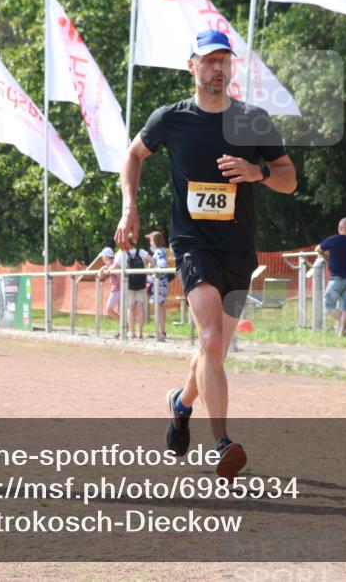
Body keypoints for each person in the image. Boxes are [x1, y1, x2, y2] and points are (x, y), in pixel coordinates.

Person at [116, 29, 297, 481]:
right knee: (212, 339)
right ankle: (222, 443)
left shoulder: (253, 120)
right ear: (191, 66)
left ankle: (181, 404)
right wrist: (129, 207)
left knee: (213, 349)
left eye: (224, 60)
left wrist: (257, 172)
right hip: (192, 244)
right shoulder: (170, 119)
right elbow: (133, 156)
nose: (218, 68)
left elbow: (289, 179)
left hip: (238, 248)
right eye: (209, 60)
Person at [316, 218, 346, 337]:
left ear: (339, 227)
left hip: (337, 279)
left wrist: (327, 258)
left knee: (328, 305)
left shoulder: (333, 239)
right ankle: (342, 335)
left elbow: (318, 249)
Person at [116, 246, 150, 339]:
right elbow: (152, 261)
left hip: (129, 283)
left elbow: (115, 265)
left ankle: (132, 332)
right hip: (141, 282)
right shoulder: (141, 251)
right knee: (141, 306)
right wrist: (148, 270)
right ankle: (140, 332)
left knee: (130, 308)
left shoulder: (121, 253)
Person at [146, 231, 172, 341]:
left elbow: (162, 265)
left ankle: (160, 332)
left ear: (155, 241)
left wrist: (153, 275)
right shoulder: (161, 251)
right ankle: (160, 331)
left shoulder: (159, 251)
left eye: (151, 240)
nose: (150, 243)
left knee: (159, 306)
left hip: (159, 282)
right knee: (159, 306)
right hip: (161, 282)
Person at [96, 247, 121, 325]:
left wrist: (103, 269)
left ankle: (124, 325)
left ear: (106, 256)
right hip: (120, 289)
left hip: (116, 289)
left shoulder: (110, 264)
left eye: (103, 256)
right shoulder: (113, 263)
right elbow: (101, 275)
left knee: (109, 310)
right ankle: (124, 327)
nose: (102, 258)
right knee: (121, 311)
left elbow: (100, 276)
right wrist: (103, 268)